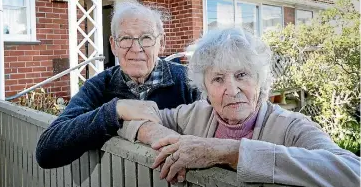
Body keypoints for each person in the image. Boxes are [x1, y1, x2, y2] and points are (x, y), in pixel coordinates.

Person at [118, 28, 360, 187]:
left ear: (259, 80)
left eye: (242, 75)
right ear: (205, 89)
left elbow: (353, 172)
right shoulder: (195, 114)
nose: (232, 90)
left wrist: (230, 152)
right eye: (218, 79)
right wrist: (160, 134)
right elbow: (132, 119)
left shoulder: (291, 126)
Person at [36, 1, 200, 169]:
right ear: (114, 45)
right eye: (126, 38)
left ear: (162, 42)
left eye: (146, 38)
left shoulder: (190, 81)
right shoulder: (99, 86)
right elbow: (46, 152)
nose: (136, 48)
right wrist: (115, 110)